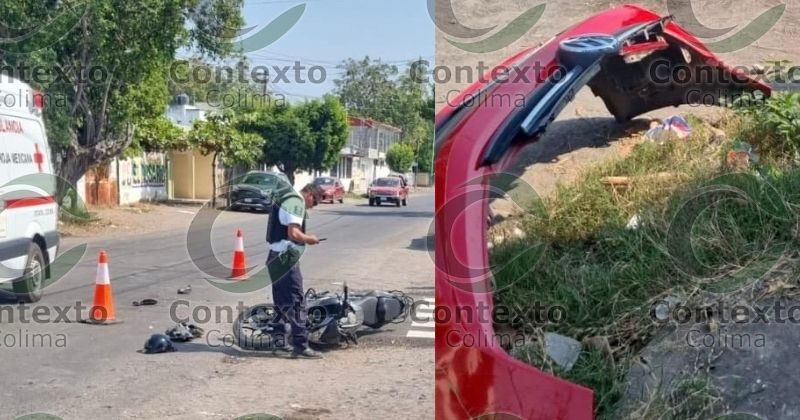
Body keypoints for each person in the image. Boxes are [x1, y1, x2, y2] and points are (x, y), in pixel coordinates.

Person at [266, 182, 324, 359]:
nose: (311, 207)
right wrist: (309, 239)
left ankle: (279, 342)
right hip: (285, 259)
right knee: (297, 301)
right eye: (314, 203)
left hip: (274, 256)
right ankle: (301, 345)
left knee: (281, 303)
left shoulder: (285, 198)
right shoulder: (296, 203)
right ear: (310, 195)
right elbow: (294, 233)